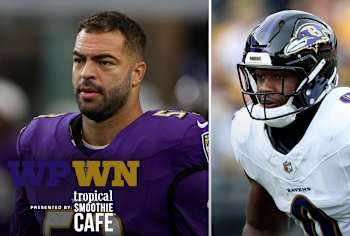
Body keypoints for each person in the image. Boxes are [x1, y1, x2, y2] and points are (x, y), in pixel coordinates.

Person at [10, 11, 208, 236]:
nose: (86, 73)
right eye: (79, 60)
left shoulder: (179, 143)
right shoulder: (37, 141)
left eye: (104, 62)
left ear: (137, 74)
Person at [231, 10, 350, 236]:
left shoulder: (349, 123)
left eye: (279, 76)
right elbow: (260, 228)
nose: (264, 88)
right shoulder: (249, 133)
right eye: (261, 76)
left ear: (315, 75)